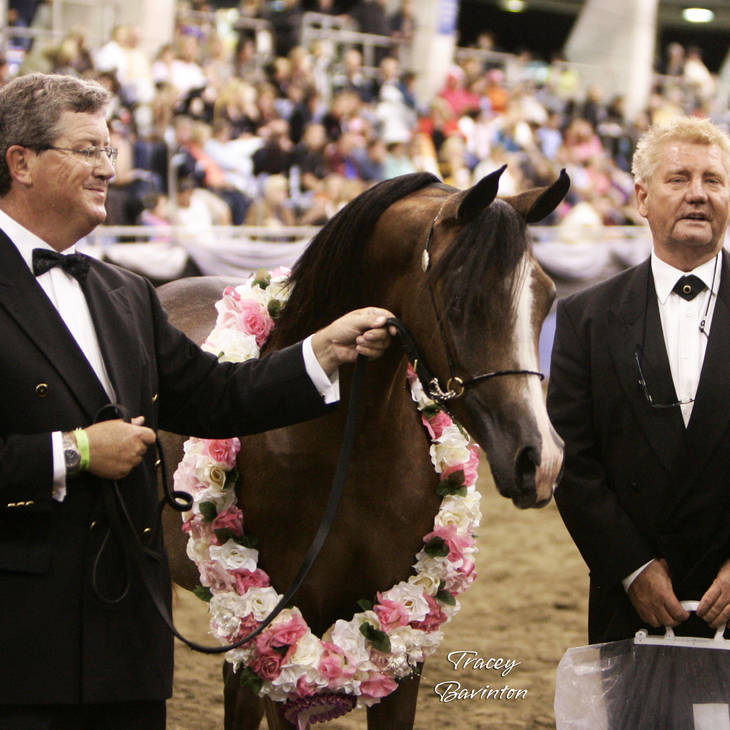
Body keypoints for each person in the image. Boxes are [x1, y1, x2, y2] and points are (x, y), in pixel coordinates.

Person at [0, 73, 394, 729]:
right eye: (88, 149)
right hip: (19, 649)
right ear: (21, 162)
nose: (108, 168)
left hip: (127, 647)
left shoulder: (125, 293)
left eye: (108, 150)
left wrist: (321, 351)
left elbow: (218, 396)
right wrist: (73, 453)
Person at [547, 115, 730, 645]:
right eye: (679, 178)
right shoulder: (585, 318)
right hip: (632, 608)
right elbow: (572, 461)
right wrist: (631, 567)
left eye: (713, 180)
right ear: (642, 198)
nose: (698, 194)